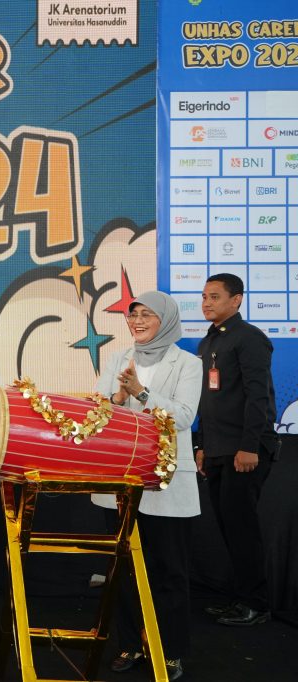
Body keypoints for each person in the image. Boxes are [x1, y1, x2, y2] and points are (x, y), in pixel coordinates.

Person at [91, 291, 201, 682]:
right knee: (121, 567)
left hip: (165, 481)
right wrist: (117, 397)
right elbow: (98, 413)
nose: (136, 321)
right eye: (132, 314)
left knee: (169, 570)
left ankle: (169, 651)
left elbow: (183, 416)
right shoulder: (117, 358)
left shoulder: (188, 363)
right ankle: (130, 644)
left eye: (146, 315)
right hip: (121, 477)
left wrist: (140, 391)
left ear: (166, 319)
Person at [195, 273, 279, 626]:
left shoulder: (249, 338)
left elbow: (258, 396)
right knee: (229, 527)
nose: (206, 303)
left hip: (244, 450)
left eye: (214, 296)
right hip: (217, 448)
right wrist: (202, 446)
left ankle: (256, 604)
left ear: (237, 300)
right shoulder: (208, 342)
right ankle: (240, 598)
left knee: (242, 528)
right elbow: (207, 400)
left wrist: (249, 446)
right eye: (204, 296)